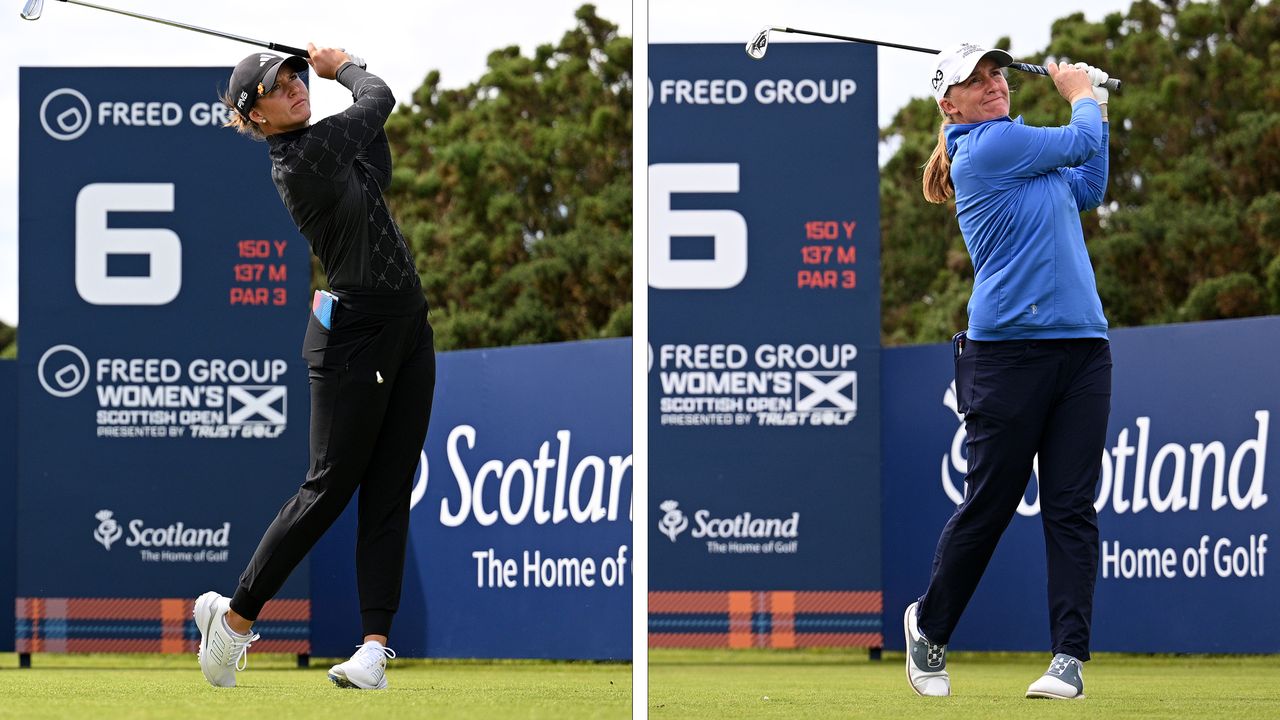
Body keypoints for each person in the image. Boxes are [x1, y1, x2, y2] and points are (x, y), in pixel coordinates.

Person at [194, 44, 436, 691]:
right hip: (356, 336)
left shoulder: (330, 146)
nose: (295, 84)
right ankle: (234, 622)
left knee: (389, 490)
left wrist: (336, 81)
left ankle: (373, 650)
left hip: (409, 325)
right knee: (330, 486)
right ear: (259, 115)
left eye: (297, 73)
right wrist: (344, 66)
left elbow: (374, 150)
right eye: (279, 84)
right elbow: (378, 99)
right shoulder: (300, 158)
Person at [904, 42, 1113, 700]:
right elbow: (1077, 141)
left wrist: (1096, 105)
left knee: (1072, 507)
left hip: (1082, 346)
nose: (993, 84)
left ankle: (1068, 660)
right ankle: (929, 628)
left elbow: (1089, 183)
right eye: (976, 79)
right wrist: (1082, 93)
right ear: (951, 104)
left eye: (996, 73)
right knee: (991, 505)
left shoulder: (1023, 151)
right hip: (1007, 354)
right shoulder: (990, 149)